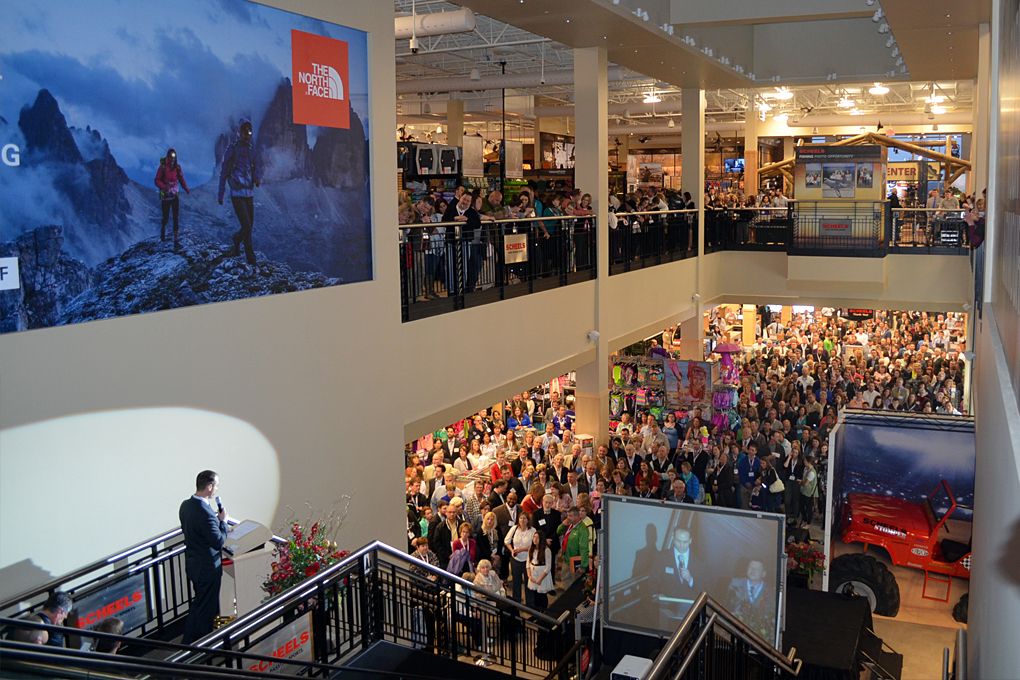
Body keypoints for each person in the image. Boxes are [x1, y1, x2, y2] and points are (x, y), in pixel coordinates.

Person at [179, 470, 228, 644]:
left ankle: (208, 638)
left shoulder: (186, 505)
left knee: (204, 605)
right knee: (203, 607)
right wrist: (223, 522)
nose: (216, 490)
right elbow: (218, 542)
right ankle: (194, 644)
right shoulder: (205, 513)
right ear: (209, 487)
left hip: (194, 565)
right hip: (207, 569)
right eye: (216, 486)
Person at [218, 118, 262, 266]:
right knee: (248, 227)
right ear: (240, 132)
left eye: (250, 132)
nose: (248, 135)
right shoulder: (232, 148)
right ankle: (251, 259)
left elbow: (255, 168)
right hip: (237, 194)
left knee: (248, 226)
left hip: (249, 194)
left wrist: (257, 179)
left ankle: (237, 239)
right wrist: (221, 193)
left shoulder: (251, 150)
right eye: (245, 131)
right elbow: (224, 171)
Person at [650, 527, 704, 629]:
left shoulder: (699, 561)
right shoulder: (662, 557)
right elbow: (652, 582)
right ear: (673, 538)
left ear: (690, 541)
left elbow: (705, 588)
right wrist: (657, 595)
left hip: (690, 615)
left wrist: (690, 580)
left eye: (685, 542)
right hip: (666, 612)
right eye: (678, 541)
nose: (682, 545)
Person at [725, 560, 776, 641]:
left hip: (759, 636)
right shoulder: (735, 583)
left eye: (757, 569)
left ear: (763, 573)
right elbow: (726, 605)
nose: (753, 571)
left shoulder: (771, 591)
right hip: (736, 631)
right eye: (750, 567)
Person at [154, 148, 190, 250]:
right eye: (170, 157)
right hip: (165, 197)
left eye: (173, 157)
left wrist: (186, 189)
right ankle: (163, 229)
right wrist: (163, 186)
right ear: (167, 157)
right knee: (166, 217)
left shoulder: (177, 168)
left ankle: (175, 241)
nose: (172, 159)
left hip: (174, 196)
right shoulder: (163, 168)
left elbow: (181, 179)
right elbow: (156, 180)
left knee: (175, 217)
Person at [504, 512, 536, 603]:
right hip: (516, 560)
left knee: (528, 582)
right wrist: (512, 550)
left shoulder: (532, 531)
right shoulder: (514, 529)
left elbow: (535, 546)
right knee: (516, 582)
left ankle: (530, 604)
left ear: (528, 520)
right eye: (521, 518)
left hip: (528, 560)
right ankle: (516, 602)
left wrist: (523, 549)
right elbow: (506, 541)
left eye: (524, 518)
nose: (522, 520)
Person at [526, 531, 555, 610]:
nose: (535, 539)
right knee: (535, 595)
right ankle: (537, 612)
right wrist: (529, 576)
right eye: (534, 537)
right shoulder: (531, 549)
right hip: (533, 574)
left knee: (542, 595)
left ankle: (543, 612)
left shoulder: (546, 550)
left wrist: (540, 579)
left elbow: (548, 567)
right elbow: (528, 564)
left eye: (537, 537)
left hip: (542, 575)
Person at [557, 506, 590, 575]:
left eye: (570, 516)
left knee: (574, 581)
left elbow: (584, 548)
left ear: (577, 516)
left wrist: (583, 565)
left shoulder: (582, 529)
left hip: (576, 560)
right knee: (565, 578)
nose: (568, 518)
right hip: (567, 557)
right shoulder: (569, 524)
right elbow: (559, 532)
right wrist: (562, 525)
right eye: (568, 515)